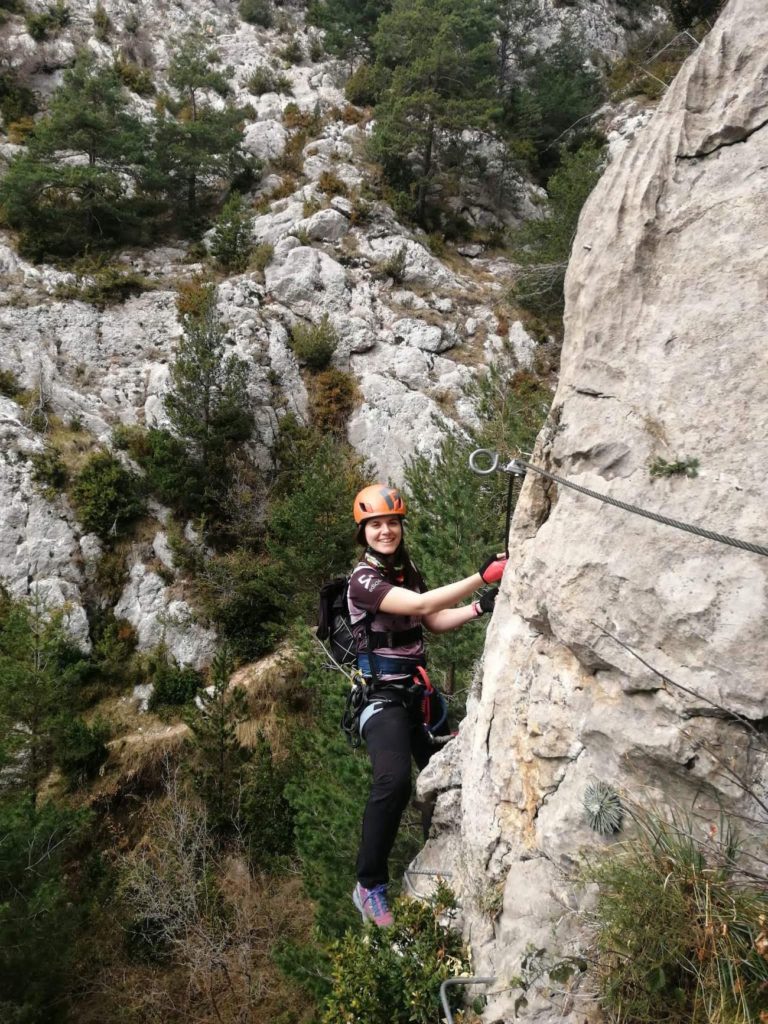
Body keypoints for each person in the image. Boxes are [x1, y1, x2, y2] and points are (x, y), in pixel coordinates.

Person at [348, 483, 506, 927]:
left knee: (450, 781)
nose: (386, 531)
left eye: (392, 523)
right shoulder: (362, 580)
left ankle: (444, 853)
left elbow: (431, 620)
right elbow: (419, 605)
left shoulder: (406, 570)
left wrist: (480, 607)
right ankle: (369, 884)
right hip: (382, 701)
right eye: (376, 524)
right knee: (393, 782)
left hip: (416, 697)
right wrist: (481, 576)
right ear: (363, 532)